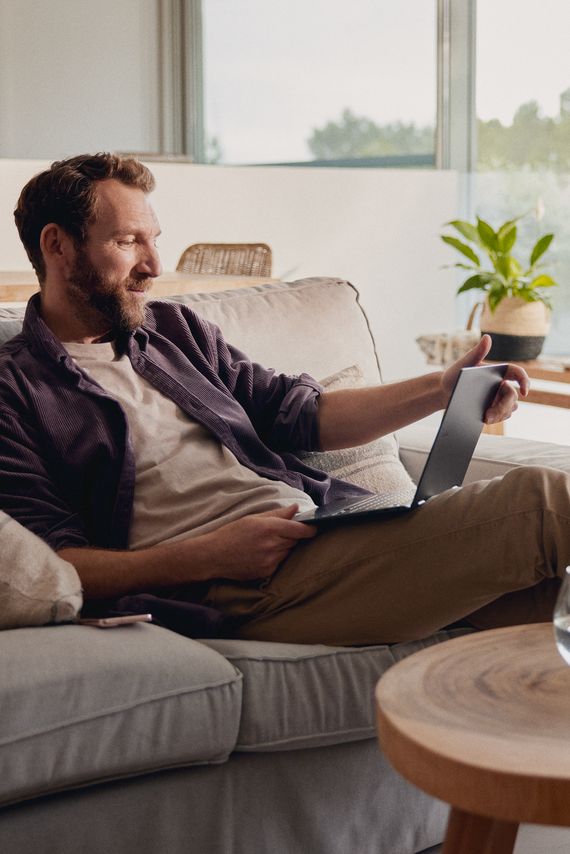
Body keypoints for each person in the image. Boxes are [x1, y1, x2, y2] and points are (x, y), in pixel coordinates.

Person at [2, 152, 568, 645]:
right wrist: (211, 556)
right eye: (128, 242)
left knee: (549, 603)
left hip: (325, 530)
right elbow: (53, 563)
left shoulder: (175, 332)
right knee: (548, 499)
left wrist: (442, 391)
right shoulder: (15, 389)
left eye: (155, 241)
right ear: (58, 245)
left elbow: (300, 415)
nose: (152, 266)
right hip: (234, 586)